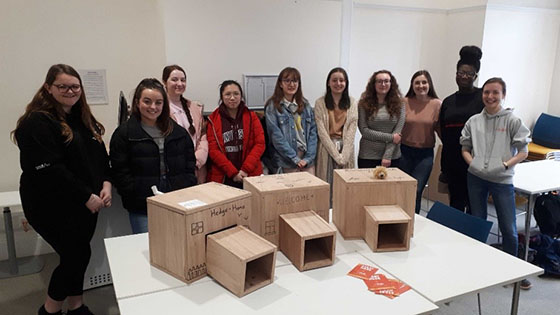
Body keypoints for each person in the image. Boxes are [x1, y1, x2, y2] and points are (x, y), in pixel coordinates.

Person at [13, 64, 111, 315]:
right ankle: (50, 310)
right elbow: (48, 168)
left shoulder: (82, 120)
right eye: (63, 86)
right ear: (48, 88)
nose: (70, 91)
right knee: (74, 255)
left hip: (86, 204)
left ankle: (76, 306)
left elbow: (100, 158)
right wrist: (85, 196)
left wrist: (106, 183)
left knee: (79, 253)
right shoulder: (36, 122)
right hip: (51, 205)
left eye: (75, 86)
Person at [460, 77, 531, 288]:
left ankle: (514, 271)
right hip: (476, 178)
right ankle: (478, 265)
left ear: (503, 95)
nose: (490, 96)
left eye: (495, 93)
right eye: (486, 92)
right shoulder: (473, 121)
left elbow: (524, 151)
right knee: (478, 221)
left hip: (502, 180)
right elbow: (464, 147)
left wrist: (506, 165)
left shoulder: (512, 120)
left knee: (508, 227)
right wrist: (472, 164)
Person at [110, 78, 197, 234]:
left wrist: (185, 185)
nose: (153, 107)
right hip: (142, 204)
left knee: (175, 244)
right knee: (147, 247)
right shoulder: (125, 134)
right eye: (147, 101)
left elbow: (189, 163)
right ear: (137, 102)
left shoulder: (177, 132)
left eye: (158, 102)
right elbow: (119, 170)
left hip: (175, 199)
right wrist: (133, 192)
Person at [439, 45, 484, 213]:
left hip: (475, 162)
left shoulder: (482, 98)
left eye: (469, 74)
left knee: (475, 207)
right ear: (456, 75)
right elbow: (444, 133)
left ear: (475, 76)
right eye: (461, 73)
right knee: (456, 205)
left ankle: (474, 239)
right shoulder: (448, 101)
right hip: (452, 162)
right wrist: (444, 167)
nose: (464, 76)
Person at [206, 80, 265, 188]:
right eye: (228, 94)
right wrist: (233, 172)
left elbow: (260, 144)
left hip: (250, 174)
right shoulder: (213, 120)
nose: (232, 98)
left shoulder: (252, 117)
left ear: (241, 96)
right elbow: (213, 150)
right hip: (224, 176)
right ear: (222, 97)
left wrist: (245, 170)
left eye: (236, 94)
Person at [400, 70, 442, 213]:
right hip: (403, 152)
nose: (421, 85)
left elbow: (440, 129)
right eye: (417, 82)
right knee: (403, 190)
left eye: (424, 82)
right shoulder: (404, 102)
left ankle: (412, 222)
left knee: (416, 190)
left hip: (425, 154)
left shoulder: (437, 104)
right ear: (412, 85)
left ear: (429, 84)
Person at [314, 67, 357, 201]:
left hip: (346, 149)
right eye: (334, 80)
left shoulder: (352, 102)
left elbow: (351, 130)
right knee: (326, 187)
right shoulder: (320, 103)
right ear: (328, 83)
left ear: (346, 83)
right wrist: (336, 156)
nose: (338, 83)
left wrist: (343, 157)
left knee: (344, 189)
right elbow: (322, 132)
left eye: (341, 80)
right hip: (326, 150)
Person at [265, 67, 317, 174]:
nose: (291, 84)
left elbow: (313, 134)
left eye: (294, 81)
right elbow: (276, 137)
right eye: (287, 81)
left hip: (307, 160)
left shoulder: (305, 105)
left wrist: (307, 159)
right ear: (280, 84)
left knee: (310, 190)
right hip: (286, 161)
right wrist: (295, 158)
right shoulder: (272, 107)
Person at [162, 65, 208, 184]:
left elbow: (203, 135)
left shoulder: (195, 107)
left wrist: (197, 159)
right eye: (174, 79)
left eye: (183, 80)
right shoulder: (160, 109)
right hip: (175, 169)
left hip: (197, 167)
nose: (180, 83)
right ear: (164, 82)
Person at [357, 70, 405, 168]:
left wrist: (387, 156)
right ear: (373, 84)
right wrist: (391, 137)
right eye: (379, 81)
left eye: (386, 81)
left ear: (391, 83)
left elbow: (397, 132)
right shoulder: (363, 104)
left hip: (392, 157)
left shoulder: (400, 104)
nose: (383, 84)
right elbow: (364, 130)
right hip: (367, 156)